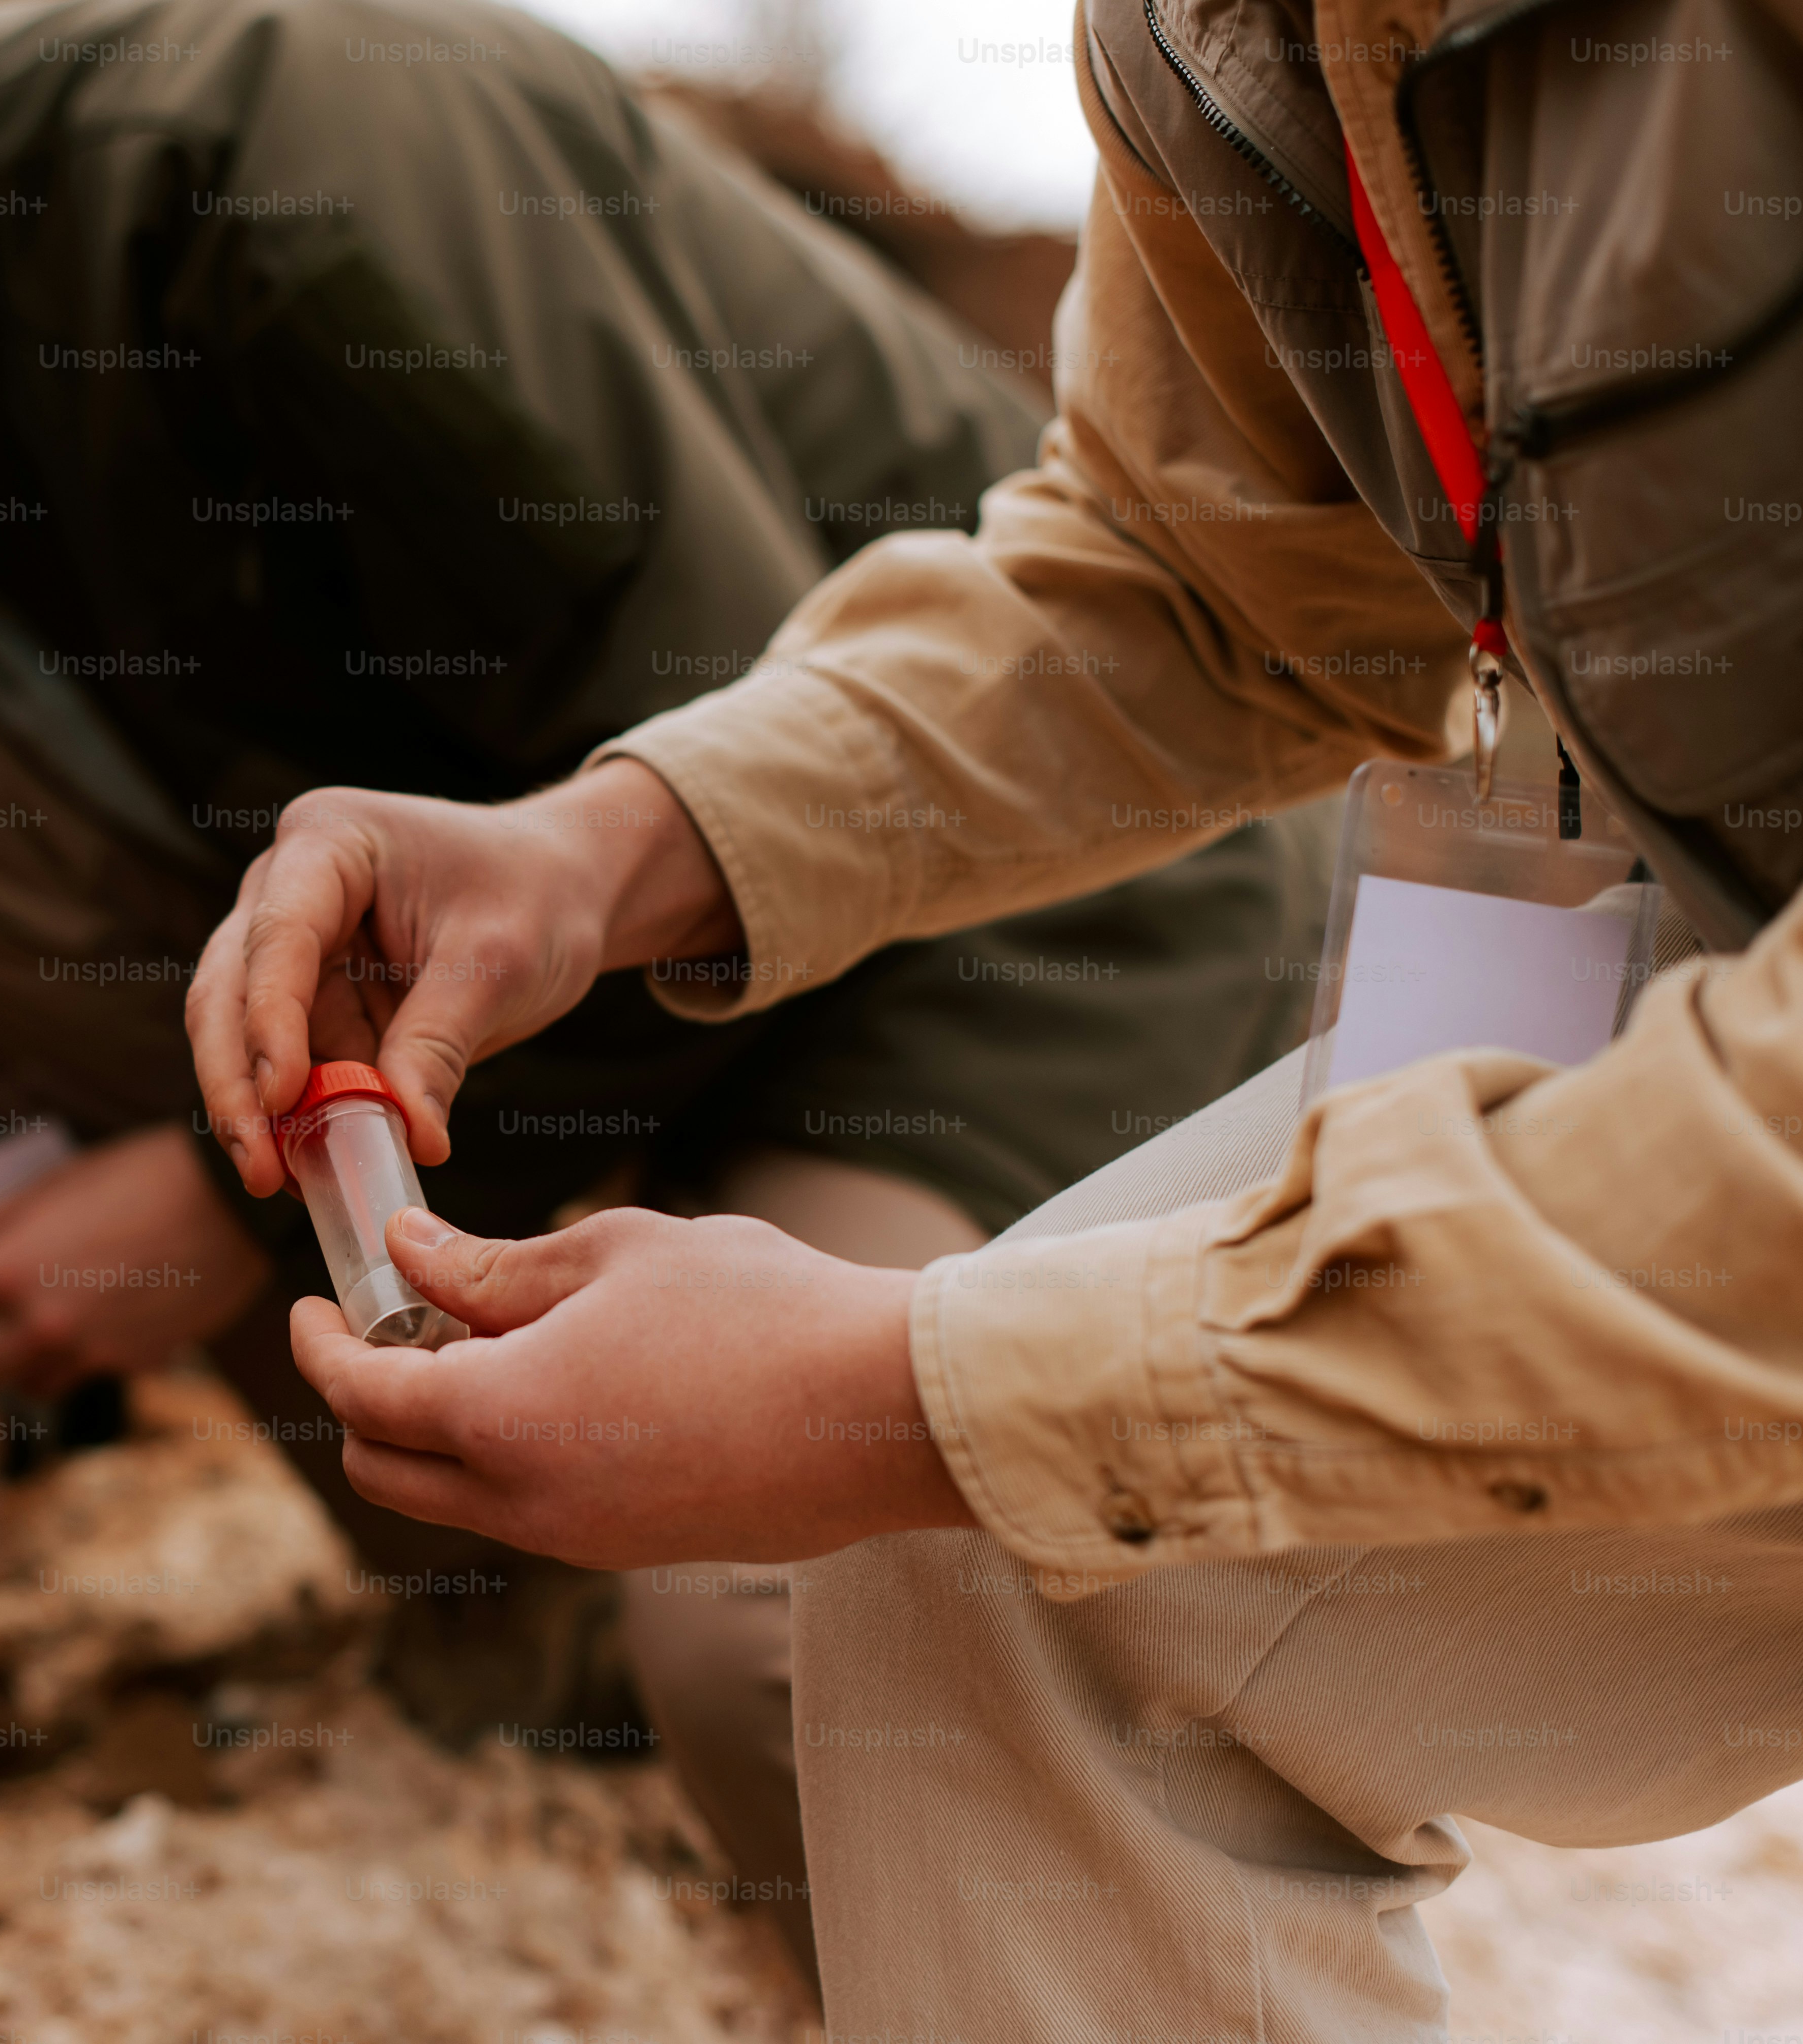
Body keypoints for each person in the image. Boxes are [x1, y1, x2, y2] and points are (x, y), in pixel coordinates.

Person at [0, 0, 1311, 1865]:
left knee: (791, 1648)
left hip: (1007, 910)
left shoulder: (258, 170)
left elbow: (727, 779)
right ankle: (516, 1607)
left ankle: (1010, 1683)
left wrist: (208, 1209)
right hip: (576, 972)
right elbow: (62, 1023)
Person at [188, 0, 1803, 2032]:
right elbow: (1200, 572)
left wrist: (898, 1387)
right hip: (1708, 945)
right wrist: (615, 843)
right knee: (1023, 1555)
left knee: (1003, 1441)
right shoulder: (1227, 32)